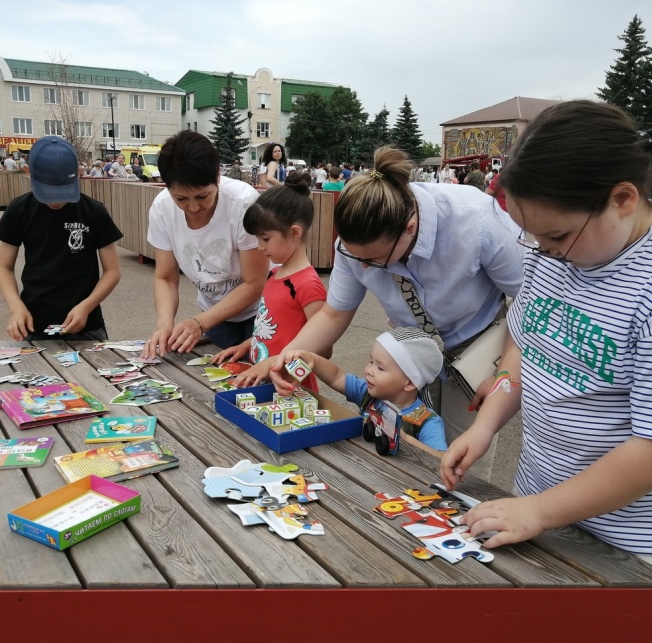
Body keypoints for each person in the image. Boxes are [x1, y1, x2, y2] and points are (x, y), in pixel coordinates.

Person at [440, 101, 652, 592]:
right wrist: (485, 426)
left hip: (638, 536)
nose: (544, 249)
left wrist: (539, 511)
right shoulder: (556, 253)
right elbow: (526, 349)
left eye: (556, 235)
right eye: (533, 236)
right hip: (544, 503)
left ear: (622, 199)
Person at [235, 145, 524, 482]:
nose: (363, 268)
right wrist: (282, 357)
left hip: (475, 355)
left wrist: (505, 371)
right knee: (402, 450)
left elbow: (529, 300)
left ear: (410, 228)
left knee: (463, 463)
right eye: (354, 256)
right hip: (409, 354)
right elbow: (334, 314)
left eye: (373, 260)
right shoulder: (355, 245)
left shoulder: (476, 220)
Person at [141, 130, 270, 358]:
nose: (193, 208)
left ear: (218, 177)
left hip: (263, 311)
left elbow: (254, 283)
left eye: (202, 196)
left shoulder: (244, 203)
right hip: (214, 312)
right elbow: (165, 277)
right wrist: (164, 324)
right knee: (217, 373)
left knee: (260, 374)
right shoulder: (162, 209)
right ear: (167, 187)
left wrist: (199, 323)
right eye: (181, 199)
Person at [0, 136, 122, 341]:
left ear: (78, 174)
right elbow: (3, 267)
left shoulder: (94, 211)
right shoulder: (19, 209)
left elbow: (112, 271)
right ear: (28, 172)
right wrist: (16, 307)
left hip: (86, 324)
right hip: (33, 323)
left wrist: (86, 306)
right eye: (48, 192)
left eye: (62, 192)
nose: (56, 201)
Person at [212, 172, 327, 389]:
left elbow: (322, 348)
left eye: (265, 238)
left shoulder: (308, 285)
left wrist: (280, 365)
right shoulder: (275, 274)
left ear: (294, 233)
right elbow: (274, 331)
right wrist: (246, 345)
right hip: (262, 380)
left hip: (291, 388)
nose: (259, 246)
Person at [285, 327, 447, 453]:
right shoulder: (368, 393)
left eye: (380, 368)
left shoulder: (427, 422)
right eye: (371, 362)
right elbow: (337, 377)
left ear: (409, 382)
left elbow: (442, 459)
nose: (369, 370)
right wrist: (312, 359)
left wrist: (407, 440)